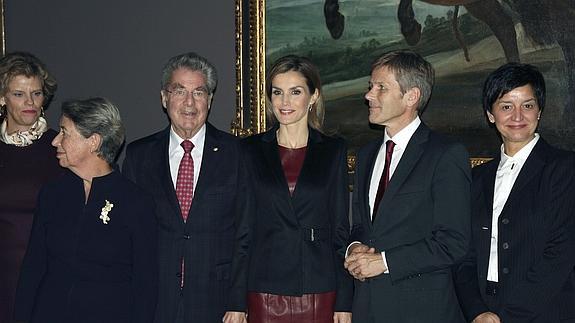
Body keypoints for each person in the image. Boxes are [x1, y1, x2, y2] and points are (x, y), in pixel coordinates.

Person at [344, 50, 471, 322]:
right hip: (368, 308)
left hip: (422, 310)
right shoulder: (366, 155)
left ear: (411, 97)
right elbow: (363, 227)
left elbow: (454, 242)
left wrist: (384, 262)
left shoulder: (445, 154)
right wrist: (354, 247)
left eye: (381, 88)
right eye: (370, 86)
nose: (368, 95)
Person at [224, 55, 353, 323]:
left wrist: (345, 300)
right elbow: (243, 231)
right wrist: (236, 302)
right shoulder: (249, 150)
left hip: (318, 286)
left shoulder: (333, 150)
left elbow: (340, 230)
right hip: (264, 288)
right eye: (278, 92)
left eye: (295, 92)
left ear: (313, 96)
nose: (285, 102)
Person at [122, 52, 242, 323]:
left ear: (210, 100)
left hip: (219, 303)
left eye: (199, 92)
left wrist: (239, 302)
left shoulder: (237, 154)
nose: (189, 102)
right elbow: (127, 234)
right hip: (154, 300)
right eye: (179, 91)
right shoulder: (139, 156)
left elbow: (247, 234)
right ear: (164, 98)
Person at [13, 97, 158, 323]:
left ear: (93, 142)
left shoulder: (136, 203)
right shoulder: (52, 195)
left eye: (65, 132)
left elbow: (146, 286)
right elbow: (33, 270)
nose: (55, 141)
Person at [454, 63, 575, 322]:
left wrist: (507, 317)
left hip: (546, 310)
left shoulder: (565, 169)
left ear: (539, 111)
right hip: (484, 310)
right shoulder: (476, 177)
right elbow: (463, 254)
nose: (517, 116)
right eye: (506, 106)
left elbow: (560, 253)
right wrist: (477, 311)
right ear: (490, 114)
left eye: (528, 105)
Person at [0, 52, 63, 323]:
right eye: (18, 94)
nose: (29, 102)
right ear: (2, 98)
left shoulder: (61, 146)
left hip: (49, 276)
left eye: (36, 94)